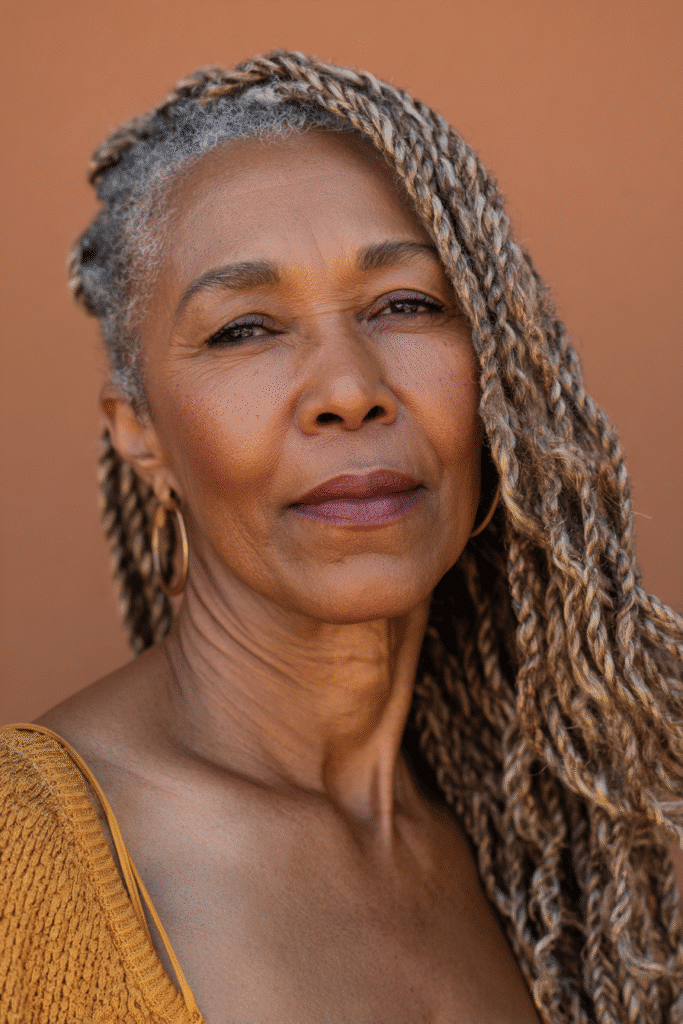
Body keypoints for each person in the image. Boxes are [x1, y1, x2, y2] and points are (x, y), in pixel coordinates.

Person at [1, 49, 682, 1024]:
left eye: (405, 305)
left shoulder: (553, 862)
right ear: (139, 433)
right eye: (245, 328)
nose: (350, 389)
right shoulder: (22, 861)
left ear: (500, 370)